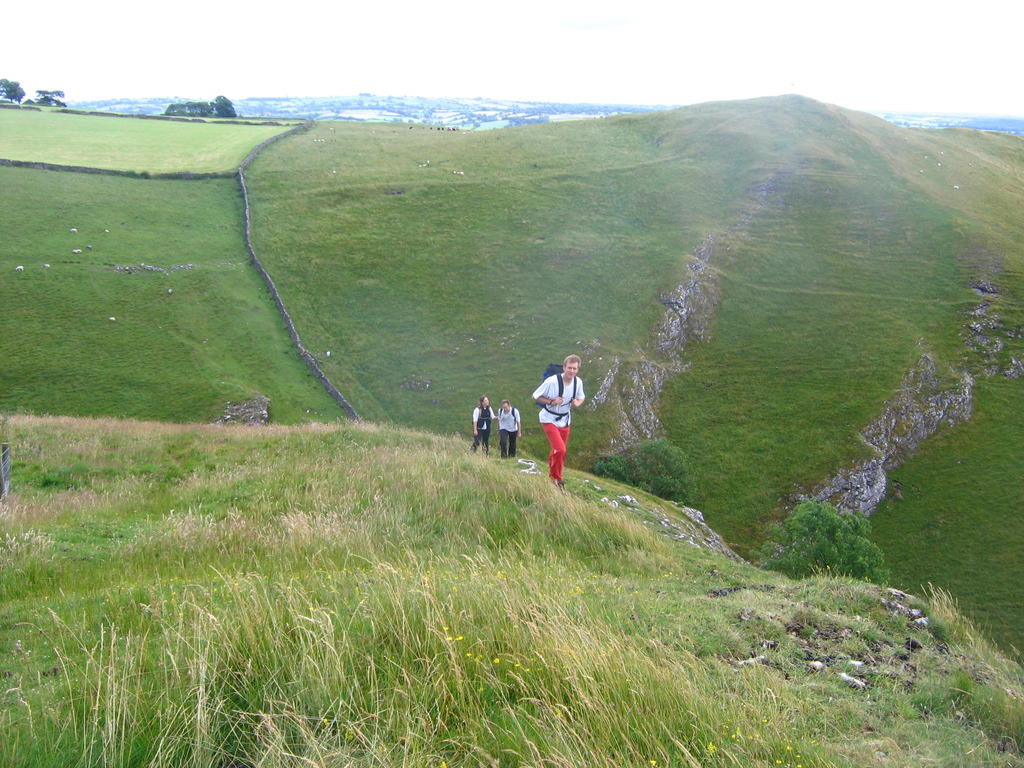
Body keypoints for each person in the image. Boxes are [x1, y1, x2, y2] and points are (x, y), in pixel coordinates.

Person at [532, 355, 585, 487]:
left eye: (574, 369)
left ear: (578, 369)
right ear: (564, 367)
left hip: (565, 419)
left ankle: (553, 472)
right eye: (569, 368)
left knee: (558, 450)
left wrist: (577, 403)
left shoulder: (578, 382)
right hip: (548, 418)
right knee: (560, 450)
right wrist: (551, 401)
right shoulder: (551, 381)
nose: (571, 371)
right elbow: (536, 396)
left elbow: (581, 397)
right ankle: (556, 479)